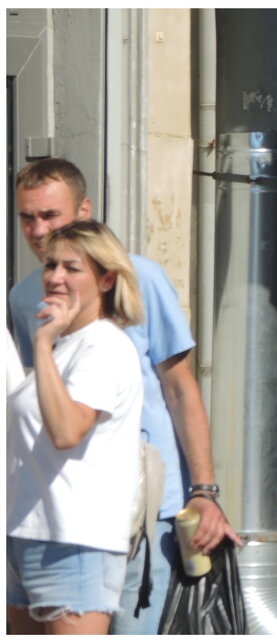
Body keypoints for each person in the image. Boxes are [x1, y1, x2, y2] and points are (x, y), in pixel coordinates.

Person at [10, 158, 239, 634]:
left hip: (148, 505)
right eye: (26, 217)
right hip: (60, 511)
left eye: (50, 215)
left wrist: (204, 491)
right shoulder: (24, 296)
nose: (37, 229)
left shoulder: (140, 278)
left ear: (84, 209)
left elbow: (180, 388)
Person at [7, 220, 144, 634]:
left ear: (106, 279)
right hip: (27, 533)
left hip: (76, 542)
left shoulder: (104, 346)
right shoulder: (70, 345)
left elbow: (67, 431)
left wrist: (43, 344)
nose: (56, 277)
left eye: (72, 267)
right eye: (51, 265)